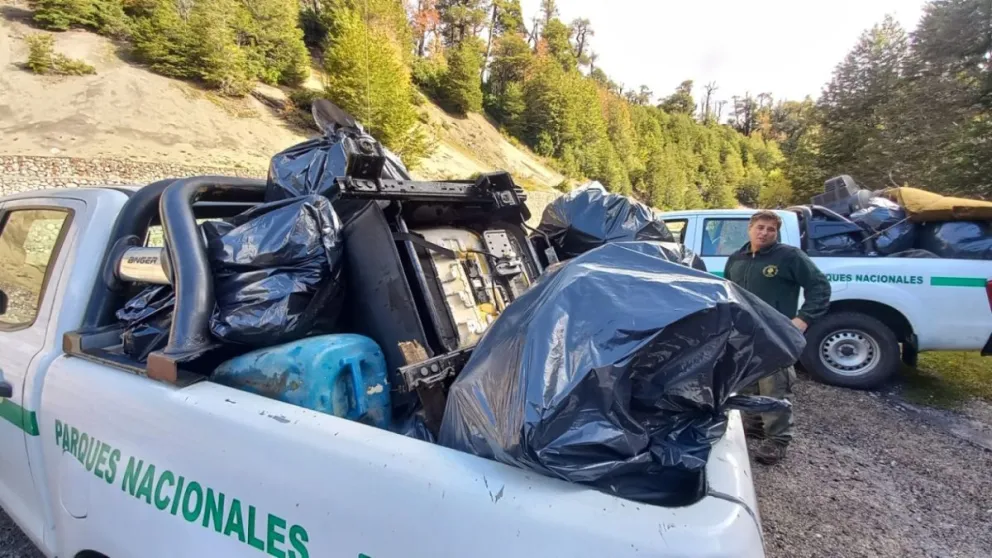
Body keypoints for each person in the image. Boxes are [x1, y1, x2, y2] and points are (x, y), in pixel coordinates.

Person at [724, 210, 831, 465]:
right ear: (750, 228)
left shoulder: (789, 257)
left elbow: (820, 286)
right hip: (745, 333)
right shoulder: (736, 258)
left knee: (774, 386)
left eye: (770, 229)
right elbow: (728, 291)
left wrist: (803, 319)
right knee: (747, 381)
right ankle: (755, 424)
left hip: (776, 334)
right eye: (760, 227)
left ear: (776, 233)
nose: (764, 233)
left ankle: (777, 441)